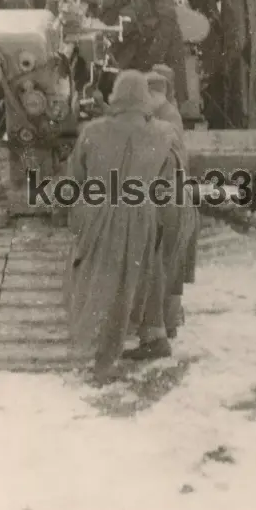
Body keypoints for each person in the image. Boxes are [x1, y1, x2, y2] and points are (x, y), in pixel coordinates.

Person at [64, 70, 179, 384]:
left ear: (116, 95)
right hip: (143, 213)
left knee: (105, 283)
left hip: (100, 211)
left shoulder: (93, 130)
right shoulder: (165, 132)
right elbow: (168, 182)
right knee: (145, 274)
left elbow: (76, 177)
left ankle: (104, 362)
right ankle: (155, 337)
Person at [142, 68, 200, 342]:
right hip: (178, 199)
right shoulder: (166, 114)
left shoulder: (165, 121)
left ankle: (165, 324)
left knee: (165, 266)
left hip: (171, 200)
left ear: (155, 94)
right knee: (172, 267)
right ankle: (171, 321)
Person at [121, 0, 190, 109]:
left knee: (171, 89)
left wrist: (156, 52)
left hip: (167, 44)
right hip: (150, 40)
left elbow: (168, 23)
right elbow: (125, 1)